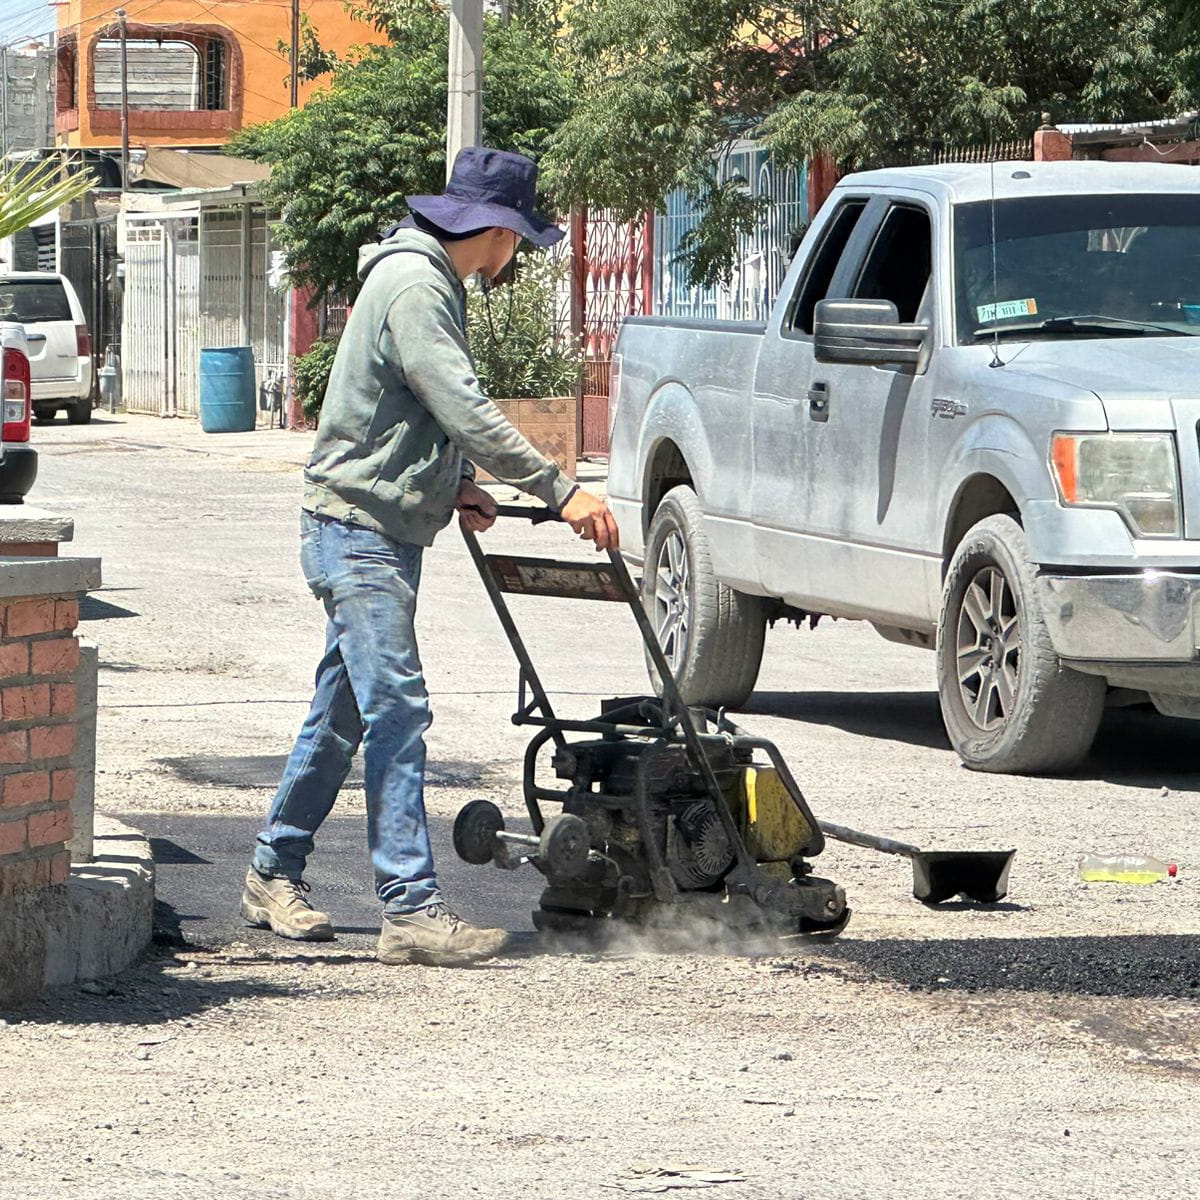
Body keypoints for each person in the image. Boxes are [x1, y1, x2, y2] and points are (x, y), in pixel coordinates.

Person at [240, 148, 618, 967]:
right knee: (398, 713)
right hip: (359, 534)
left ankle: (273, 870)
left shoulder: (423, 278)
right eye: (517, 238)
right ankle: (409, 909)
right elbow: (465, 408)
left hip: (373, 523)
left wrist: (452, 488)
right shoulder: (417, 286)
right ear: (497, 232)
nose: (514, 255)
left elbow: (402, 413)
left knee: (342, 716)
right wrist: (561, 490)